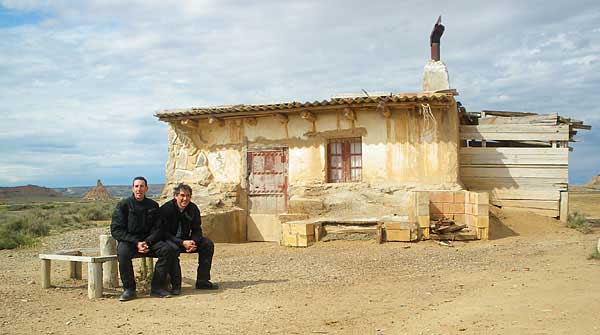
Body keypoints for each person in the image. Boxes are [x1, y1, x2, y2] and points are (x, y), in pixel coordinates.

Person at [110, 176, 178, 301]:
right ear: (132, 188)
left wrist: (147, 242)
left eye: (142, 186)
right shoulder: (124, 205)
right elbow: (116, 230)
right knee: (123, 253)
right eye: (136, 186)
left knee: (168, 250)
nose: (139, 189)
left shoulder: (153, 205)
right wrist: (136, 242)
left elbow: (158, 229)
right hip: (130, 241)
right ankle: (129, 290)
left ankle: (157, 287)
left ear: (146, 188)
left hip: (149, 242)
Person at [160, 183, 218, 295]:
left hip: (187, 241)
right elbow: (163, 233)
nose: (185, 199)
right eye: (182, 195)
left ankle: (203, 281)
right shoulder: (166, 209)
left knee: (207, 244)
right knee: (171, 249)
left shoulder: (193, 209)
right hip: (170, 240)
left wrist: (194, 242)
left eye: (188, 196)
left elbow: (197, 229)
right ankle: (175, 285)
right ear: (175, 196)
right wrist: (182, 242)